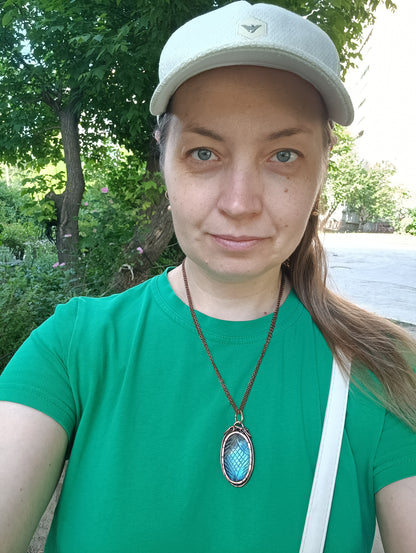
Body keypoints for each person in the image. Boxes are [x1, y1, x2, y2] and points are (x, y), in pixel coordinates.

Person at [1, 2, 416, 552]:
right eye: (204, 152)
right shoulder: (73, 348)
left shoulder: (383, 369)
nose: (240, 203)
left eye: (284, 154)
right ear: (165, 159)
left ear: (322, 167)